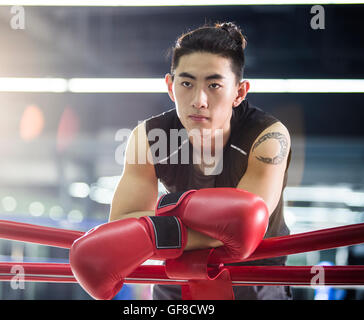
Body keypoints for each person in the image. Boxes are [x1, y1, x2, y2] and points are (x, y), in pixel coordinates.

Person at [108, 21, 293, 300]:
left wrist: (152, 229)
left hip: (255, 274)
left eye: (215, 85)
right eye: (186, 83)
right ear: (171, 86)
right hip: (181, 270)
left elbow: (243, 228)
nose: (199, 100)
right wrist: (156, 232)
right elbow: (120, 224)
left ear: (239, 93)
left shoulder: (267, 137)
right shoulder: (149, 136)